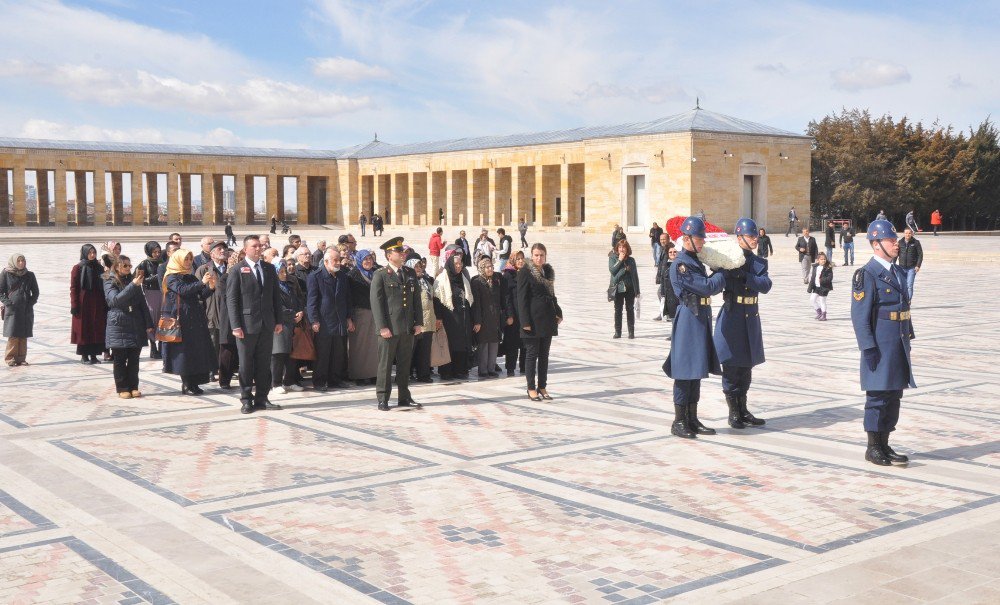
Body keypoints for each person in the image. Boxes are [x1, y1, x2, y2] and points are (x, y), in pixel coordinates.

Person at [851, 219, 915, 466]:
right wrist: (867, 347)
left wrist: (909, 333)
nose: (896, 244)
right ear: (876, 244)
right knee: (877, 396)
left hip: (897, 344)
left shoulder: (897, 272)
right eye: (891, 240)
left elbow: (903, 308)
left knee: (893, 395)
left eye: (895, 239)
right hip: (878, 346)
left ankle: (886, 444)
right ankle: (873, 447)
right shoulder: (866, 274)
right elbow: (860, 316)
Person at [663, 216, 725, 439]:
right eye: (700, 238)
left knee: (696, 370)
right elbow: (706, 287)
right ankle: (679, 421)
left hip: (700, 318)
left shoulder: (695, 261)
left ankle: (692, 418)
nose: (703, 242)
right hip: (689, 318)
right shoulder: (681, 264)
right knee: (684, 372)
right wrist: (722, 272)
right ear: (687, 238)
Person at [714, 218, 772, 429]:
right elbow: (715, 281)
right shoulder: (728, 260)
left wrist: (744, 275)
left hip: (750, 317)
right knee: (731, 367)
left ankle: (743, 409)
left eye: (755, 235)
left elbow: (765, 285)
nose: (755, 239)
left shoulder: (758, 263)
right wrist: (725, 269)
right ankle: (733, 413)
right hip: (732, 316)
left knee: (746, 368)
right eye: (751, 236)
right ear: (739, 238)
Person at [226, 235, 284, 414]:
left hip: (266, 325)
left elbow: (276, 297)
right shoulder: (237, 270)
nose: (259, 249)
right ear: (245, 250)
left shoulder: (268, 268)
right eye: (254, 246)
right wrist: (235, 325)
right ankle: (246, 399)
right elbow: (232, 299)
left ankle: (262, 398)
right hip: (246, 326)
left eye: (260, 246)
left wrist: (278, 320)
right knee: (245, 364)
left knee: (263, 363)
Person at [370, 237, 424, 410]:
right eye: (398, 252)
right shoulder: (381, 275)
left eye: (403, 251)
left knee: (404, 364)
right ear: (388, 255)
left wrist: (418, 322)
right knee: (385, 365)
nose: (402, 254)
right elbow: (376, 303)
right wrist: (382, 327)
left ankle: (404, 396)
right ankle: (383, 398)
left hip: (407, 327)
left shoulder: (409, 273)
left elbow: (416, 300)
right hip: (389, 328)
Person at [162, 249, 218, 395]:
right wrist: (201, 283)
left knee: (197, 350)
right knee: (184, 352)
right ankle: (187, 383)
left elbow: (200, 294)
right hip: (181, 319)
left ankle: (195, 383)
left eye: (189, 259)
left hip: (195, 317)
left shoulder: (190, 277)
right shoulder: (171, 277)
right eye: (185, 259)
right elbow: (183, 290)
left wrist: (211, 287)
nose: (188, 262)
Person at [103, 255, 153, 398]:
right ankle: (122, 387)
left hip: (135, 321)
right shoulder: (109, 280)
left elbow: (142, 303)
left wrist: (148, 323)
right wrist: (133, 285)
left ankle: (134, 386)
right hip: (119, 322)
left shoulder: (133, 280)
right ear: (117, 266)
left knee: (134, 358)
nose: (129, 268)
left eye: (130, 266)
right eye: (125, 266)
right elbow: (114, 301)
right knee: (119, 358)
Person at [518, 243, 562, 401]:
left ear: (545, 256)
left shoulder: (548, 271)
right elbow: (521, 299)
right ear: (531, 255)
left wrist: (558, 312)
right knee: (531, 355)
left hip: (548, 318)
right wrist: (524, 322)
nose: (539, 258)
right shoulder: (525, 272)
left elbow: (552, 295)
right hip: (532, 320)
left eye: (541, 255)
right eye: (536, 255)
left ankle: (542, 386)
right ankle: (531, 388)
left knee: (544, 355)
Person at [308, 248, 354, 391]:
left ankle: (335, 379)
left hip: (340, 320)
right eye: (335, 260)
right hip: (324, 321)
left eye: (339, 260)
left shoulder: (342, 276)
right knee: (323, 353)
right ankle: (319, 381)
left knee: (338, 353)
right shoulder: (315, 276)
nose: (338, 263)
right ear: (326, 261)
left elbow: (347, 299)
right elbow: (312, 301)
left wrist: (349, 318)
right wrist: (314, 320)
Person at [434, 249, 474, 380]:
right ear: (450, 264)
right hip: (448, 317)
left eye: (460, 264)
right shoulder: (441, 279)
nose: (459, 266)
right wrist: (439, 317)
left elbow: (468, 297)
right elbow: (437, 300)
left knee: (461, 344)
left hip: (462, 317)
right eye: (456, 264)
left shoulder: (463, 279)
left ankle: (460, 370)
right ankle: (446, 371)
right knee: (448, 344)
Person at [270, 258, 304, 395]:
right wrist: (292, 315)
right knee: (278, 354)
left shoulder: (290, 283)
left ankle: (289, 381)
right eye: (281, 271)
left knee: (291, 354)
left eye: (285, 271)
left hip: (293, 322)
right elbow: (275, 306)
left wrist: (301, 311)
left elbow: (299, 298)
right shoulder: (272, 286)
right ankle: (276, 383)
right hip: (280, 323)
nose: (284, 274)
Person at [347, 249, 380, 386]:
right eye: (365, 259)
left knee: (375, 346)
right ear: (359, 260)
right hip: (359, 313)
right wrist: (348, 317)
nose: (368, 262)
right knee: (359, 345)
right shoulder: (352, 275)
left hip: (375, 314)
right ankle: (359, 375)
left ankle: (374, 374)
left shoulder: (376, 273)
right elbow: (348, 297)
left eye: (370, 259)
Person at [71, 244, 108, 364]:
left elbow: (106, 282)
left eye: (94, 252)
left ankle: (94, 355)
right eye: (90, 252)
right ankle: (84, 356)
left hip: (97, 302)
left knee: (96, 328)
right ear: (85, 253)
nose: (92, 255)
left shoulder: (99, 268)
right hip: (83, 303)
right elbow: (74, 288)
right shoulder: (78, 268)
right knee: (84, 329)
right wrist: (74, 304)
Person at [0, 253, 39, 366]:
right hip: (12, 310)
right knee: (13, 333)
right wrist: (8, 303)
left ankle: (21, 358)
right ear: (14, 262)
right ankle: (10, 358)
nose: (21, 263)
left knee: (23, 334)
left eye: (23, 260)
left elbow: (35, 292)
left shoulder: (30, 275)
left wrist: (30, 303)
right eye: (19, 261)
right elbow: (1, 291)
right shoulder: (6, 273)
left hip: (26, 309)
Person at [194, 242, 228, 371]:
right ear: (212, 253)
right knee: (213, 341)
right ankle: (211, 368)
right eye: (219, 249)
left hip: (228, 310)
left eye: (224, 248)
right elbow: (197, 292)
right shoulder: (204, 269)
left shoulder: (231, 268)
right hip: (211, 311)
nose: (223, 251)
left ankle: (225, 368)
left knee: (226, 343)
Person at [471, 257, 507, 378]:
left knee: (494, 343)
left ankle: (491, 368)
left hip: (495, 317)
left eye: (491, 266)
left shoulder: (496, 280)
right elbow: (476, 304)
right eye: (487, 267)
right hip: (483, 318)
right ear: (482, 268)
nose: (490, 269)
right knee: (483, 344)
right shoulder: (477, 282)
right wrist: (477, 321)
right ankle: (483, 370)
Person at [408, 258, 438, 383]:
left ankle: (423, 374)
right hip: (416, 322)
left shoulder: (426, 281)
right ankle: (407, 374)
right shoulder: (408, 282)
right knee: (411, 351)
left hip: (429, 320)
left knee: (425, 350)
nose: (419, 269)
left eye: (420, 266)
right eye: (416, 267)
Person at [216, 249, 241, 390]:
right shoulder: (226, 277)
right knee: (228, 350)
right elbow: (226, 297)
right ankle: (224, 380)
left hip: (246, 317)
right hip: (230, 318)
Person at [136, 241, 164, 359]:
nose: (157, 254)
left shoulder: (163, 262)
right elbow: (141, 279)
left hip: (163, 293)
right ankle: (153, 347)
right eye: (154, 252)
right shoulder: (144, 264)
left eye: (158, 252)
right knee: (152, 319)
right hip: (151, 294)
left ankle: (162, 346)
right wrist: (158, 275)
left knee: (162, 319)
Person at [501, 251, 526, 376]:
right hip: (514, 316)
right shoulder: (508, 275)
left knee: (526, 342)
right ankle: (510, 368)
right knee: (512, 343)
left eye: (522, 258)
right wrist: (509, 315)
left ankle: (524, 367)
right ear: (513, 260)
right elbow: (506, 297)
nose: (521, 261)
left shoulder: (526, 273)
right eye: (518, 259)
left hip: (525, 314)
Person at [608, 239, 640, 339]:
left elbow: (635, 276)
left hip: (630, 288)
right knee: (618, 310)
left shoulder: (631, 260)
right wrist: (620, 261)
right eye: (620, 247)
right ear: (617, 248)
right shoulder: (613, 258)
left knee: (630, 310)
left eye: (624, 247)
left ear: (627, 249)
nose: (622, 249)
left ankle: (631, 332)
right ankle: (618, 332)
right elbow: (613, 271)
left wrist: (637, 290)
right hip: (618, 288)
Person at [897, 228, 923, 301]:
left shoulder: (916, 242)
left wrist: (918, 265)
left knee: (909, 285)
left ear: (911, 234)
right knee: (901, 285)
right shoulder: (900, 242)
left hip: (911, 268)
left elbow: (920, 255)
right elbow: (896, 254)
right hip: (901, 268)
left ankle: (908, 301)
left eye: (909, 233)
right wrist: (893, 264)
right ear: (904, 234)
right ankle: (902, 300)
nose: (907, 235)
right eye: (906, 233)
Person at [807, 252, 833, 321]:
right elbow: (813, 278)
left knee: (822, 301)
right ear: (818, 260)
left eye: (824, 259)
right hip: (816, 287)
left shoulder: (828, 268)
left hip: (824, 288)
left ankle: (824, 315)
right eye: (821, 259)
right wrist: (810, 288)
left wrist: (821, 280)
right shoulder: (815, 267)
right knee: (812, 299)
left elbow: (830, 278)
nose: (823, 260)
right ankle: (819, 312)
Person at [653, 235, 672, 321]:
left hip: (668, 276)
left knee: (661, 293)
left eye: (664, 239)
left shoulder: (671, 249)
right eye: (661, 239)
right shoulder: (663, 249)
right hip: (664, 276)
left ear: (668, 239)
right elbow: (661, 264)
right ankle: (664, 313)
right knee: (662, 293)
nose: (662, 241)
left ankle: (666, 313)